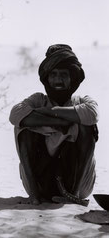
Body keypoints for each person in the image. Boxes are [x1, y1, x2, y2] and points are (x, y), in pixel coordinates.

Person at [9, 44, 99, 206]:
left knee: (87, 126)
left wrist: (50, 112)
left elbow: (92, 114)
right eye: (54, 74)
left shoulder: (82, 102)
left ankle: (74, 195)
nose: (58, 80)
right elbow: (15, 114)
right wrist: (60, 122)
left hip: (76, 180)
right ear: (47, 78)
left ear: (72, 78)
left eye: (64, 75)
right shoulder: (38, 100)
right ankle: (35, 196)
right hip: (41, 181)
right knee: (22, 127)